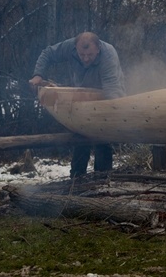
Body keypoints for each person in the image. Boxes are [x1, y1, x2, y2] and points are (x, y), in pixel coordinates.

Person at [29, 31, 126, 177]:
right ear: (76, 49)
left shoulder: (108, 55)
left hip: (104, 97)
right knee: (80, 135)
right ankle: (77, 178)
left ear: (98, 49)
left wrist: (114, 116)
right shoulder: (70, 46)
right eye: (82, 55)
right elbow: (47, 53)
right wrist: (38, 75)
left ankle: (102, 178)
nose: (86, 59)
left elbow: (112, 91)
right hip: (81, 97)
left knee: (102, 138)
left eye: (90, 55)